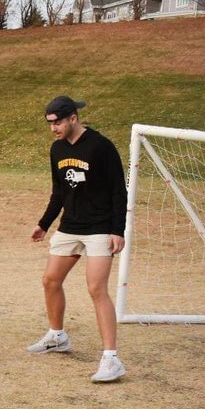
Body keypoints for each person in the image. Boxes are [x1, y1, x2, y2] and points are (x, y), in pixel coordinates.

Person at [29, 95, 128, 383]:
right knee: (50, 280)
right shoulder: (57, 150)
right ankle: (57, 336)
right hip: (70, 225)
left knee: (97, 289)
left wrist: (117, 230)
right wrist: (44, 224)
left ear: (73, 118)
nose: (53, 128)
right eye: (49, 123)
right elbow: (58, 192)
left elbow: (118, 191)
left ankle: (111, 359)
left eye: (57, 122)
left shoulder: (101, 146)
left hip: (100, 227)